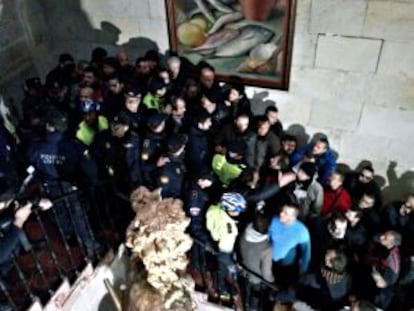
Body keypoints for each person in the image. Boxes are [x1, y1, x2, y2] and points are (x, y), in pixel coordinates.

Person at [27, 109, 100, 258]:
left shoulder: (35, 147)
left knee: (59, 213)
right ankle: (90, 247)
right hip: (70, 185)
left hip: (50, 186)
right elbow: (89, 167)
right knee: (78, 215)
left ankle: (69, 238)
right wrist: (89, 183)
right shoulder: (73, 145)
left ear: (49, 126)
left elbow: (32, 166)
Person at [206, 192, 246, 304]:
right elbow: (225, 250)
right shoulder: (229, 230)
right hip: (224, 250)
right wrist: (232, 263)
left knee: (219, 268)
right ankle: (222, 290)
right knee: (222, 271)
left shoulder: (214, 209)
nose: (239, 212)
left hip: (215, 241)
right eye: (237, 210)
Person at [268, 201, 311, 301]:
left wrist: (302, 274)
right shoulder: (274, 220)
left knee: (283, 285)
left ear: (293, 217)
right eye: (282, 211)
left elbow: (306, 254)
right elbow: (268, 237)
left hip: (287, 265)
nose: (281, 214)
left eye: (286, 213)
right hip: (270, 261)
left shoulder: (302, 231)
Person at [239, 212, 274, 311]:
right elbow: (266, 273)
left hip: (244, 271)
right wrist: (272, 282)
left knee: (245, 292)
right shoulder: (267, 248)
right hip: (256, 279)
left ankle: (245, 305)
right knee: (255, 299)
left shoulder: (245, 232)